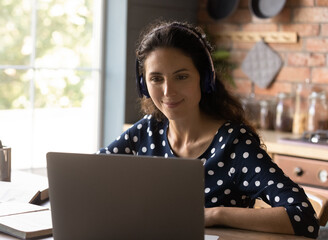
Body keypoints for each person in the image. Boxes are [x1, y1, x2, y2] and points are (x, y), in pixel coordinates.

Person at [98, 21, 319, 239]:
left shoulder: (234, 144)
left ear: (204, 80)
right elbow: (87, 180)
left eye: (181, 76)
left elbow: (303, 217)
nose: (167, 91)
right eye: (156, 79)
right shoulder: (145, 132)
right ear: (144, 85)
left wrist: (215, 214)